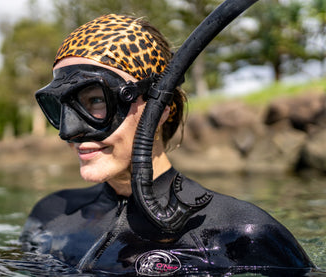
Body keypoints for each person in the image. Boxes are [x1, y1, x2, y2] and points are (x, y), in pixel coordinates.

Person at [20, 14, 315, 276]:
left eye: (95, 100)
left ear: (161, 109)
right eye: (62, 107)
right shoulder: (49, 215)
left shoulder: (242, 233)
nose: (70, 132)